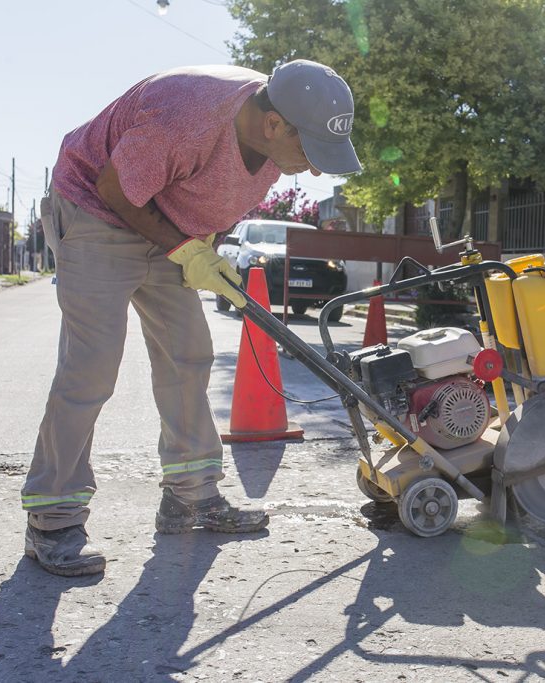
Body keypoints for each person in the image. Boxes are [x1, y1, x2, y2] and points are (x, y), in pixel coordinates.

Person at [22, 60, 361, 577]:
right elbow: (117, 190)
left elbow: (216, 199)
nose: (315, 170)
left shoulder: (272, 149)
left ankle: (190, 498)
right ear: (273, 124)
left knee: (188, 354)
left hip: (165, 222)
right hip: (97, 206)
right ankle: (52, 518)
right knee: (91, 365)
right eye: (310, 150)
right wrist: (185, 249)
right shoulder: (188, 116)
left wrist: (208, 251)